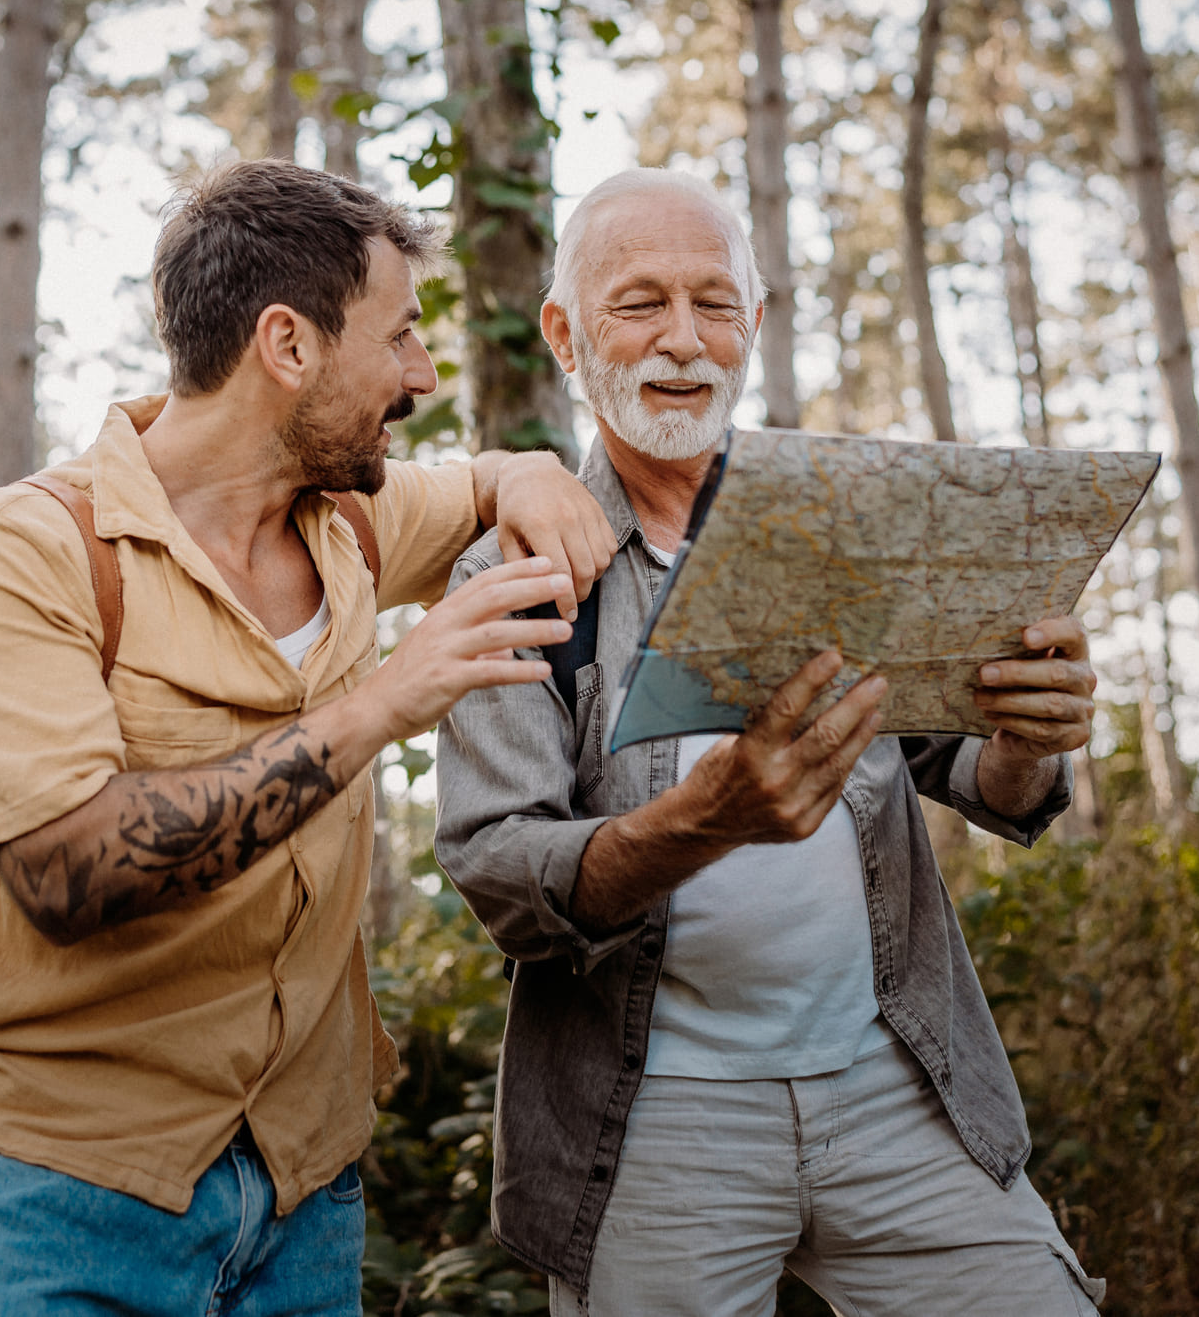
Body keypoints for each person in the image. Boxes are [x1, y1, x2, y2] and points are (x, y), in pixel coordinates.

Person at [0, 159, 615, 1316]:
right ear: (288, 346)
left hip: (307, 1203)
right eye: (398, 339)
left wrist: (529, 473)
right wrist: (386, 698)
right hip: (56, 1206)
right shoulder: (16, 552)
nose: (423, 376)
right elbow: (64, 871)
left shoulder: (355, 518)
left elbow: (485, 478)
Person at [435, 168, 1108, 1316]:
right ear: (562, 331)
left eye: (716, 302)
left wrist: (1029, 736)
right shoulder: (518, 578)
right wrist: (703, 823)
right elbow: (502, 873)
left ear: (759, 320)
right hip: (651, 1122)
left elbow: (974, 770)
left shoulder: (854, 522)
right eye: (639, 302)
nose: (685, 342)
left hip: (896, 1083)